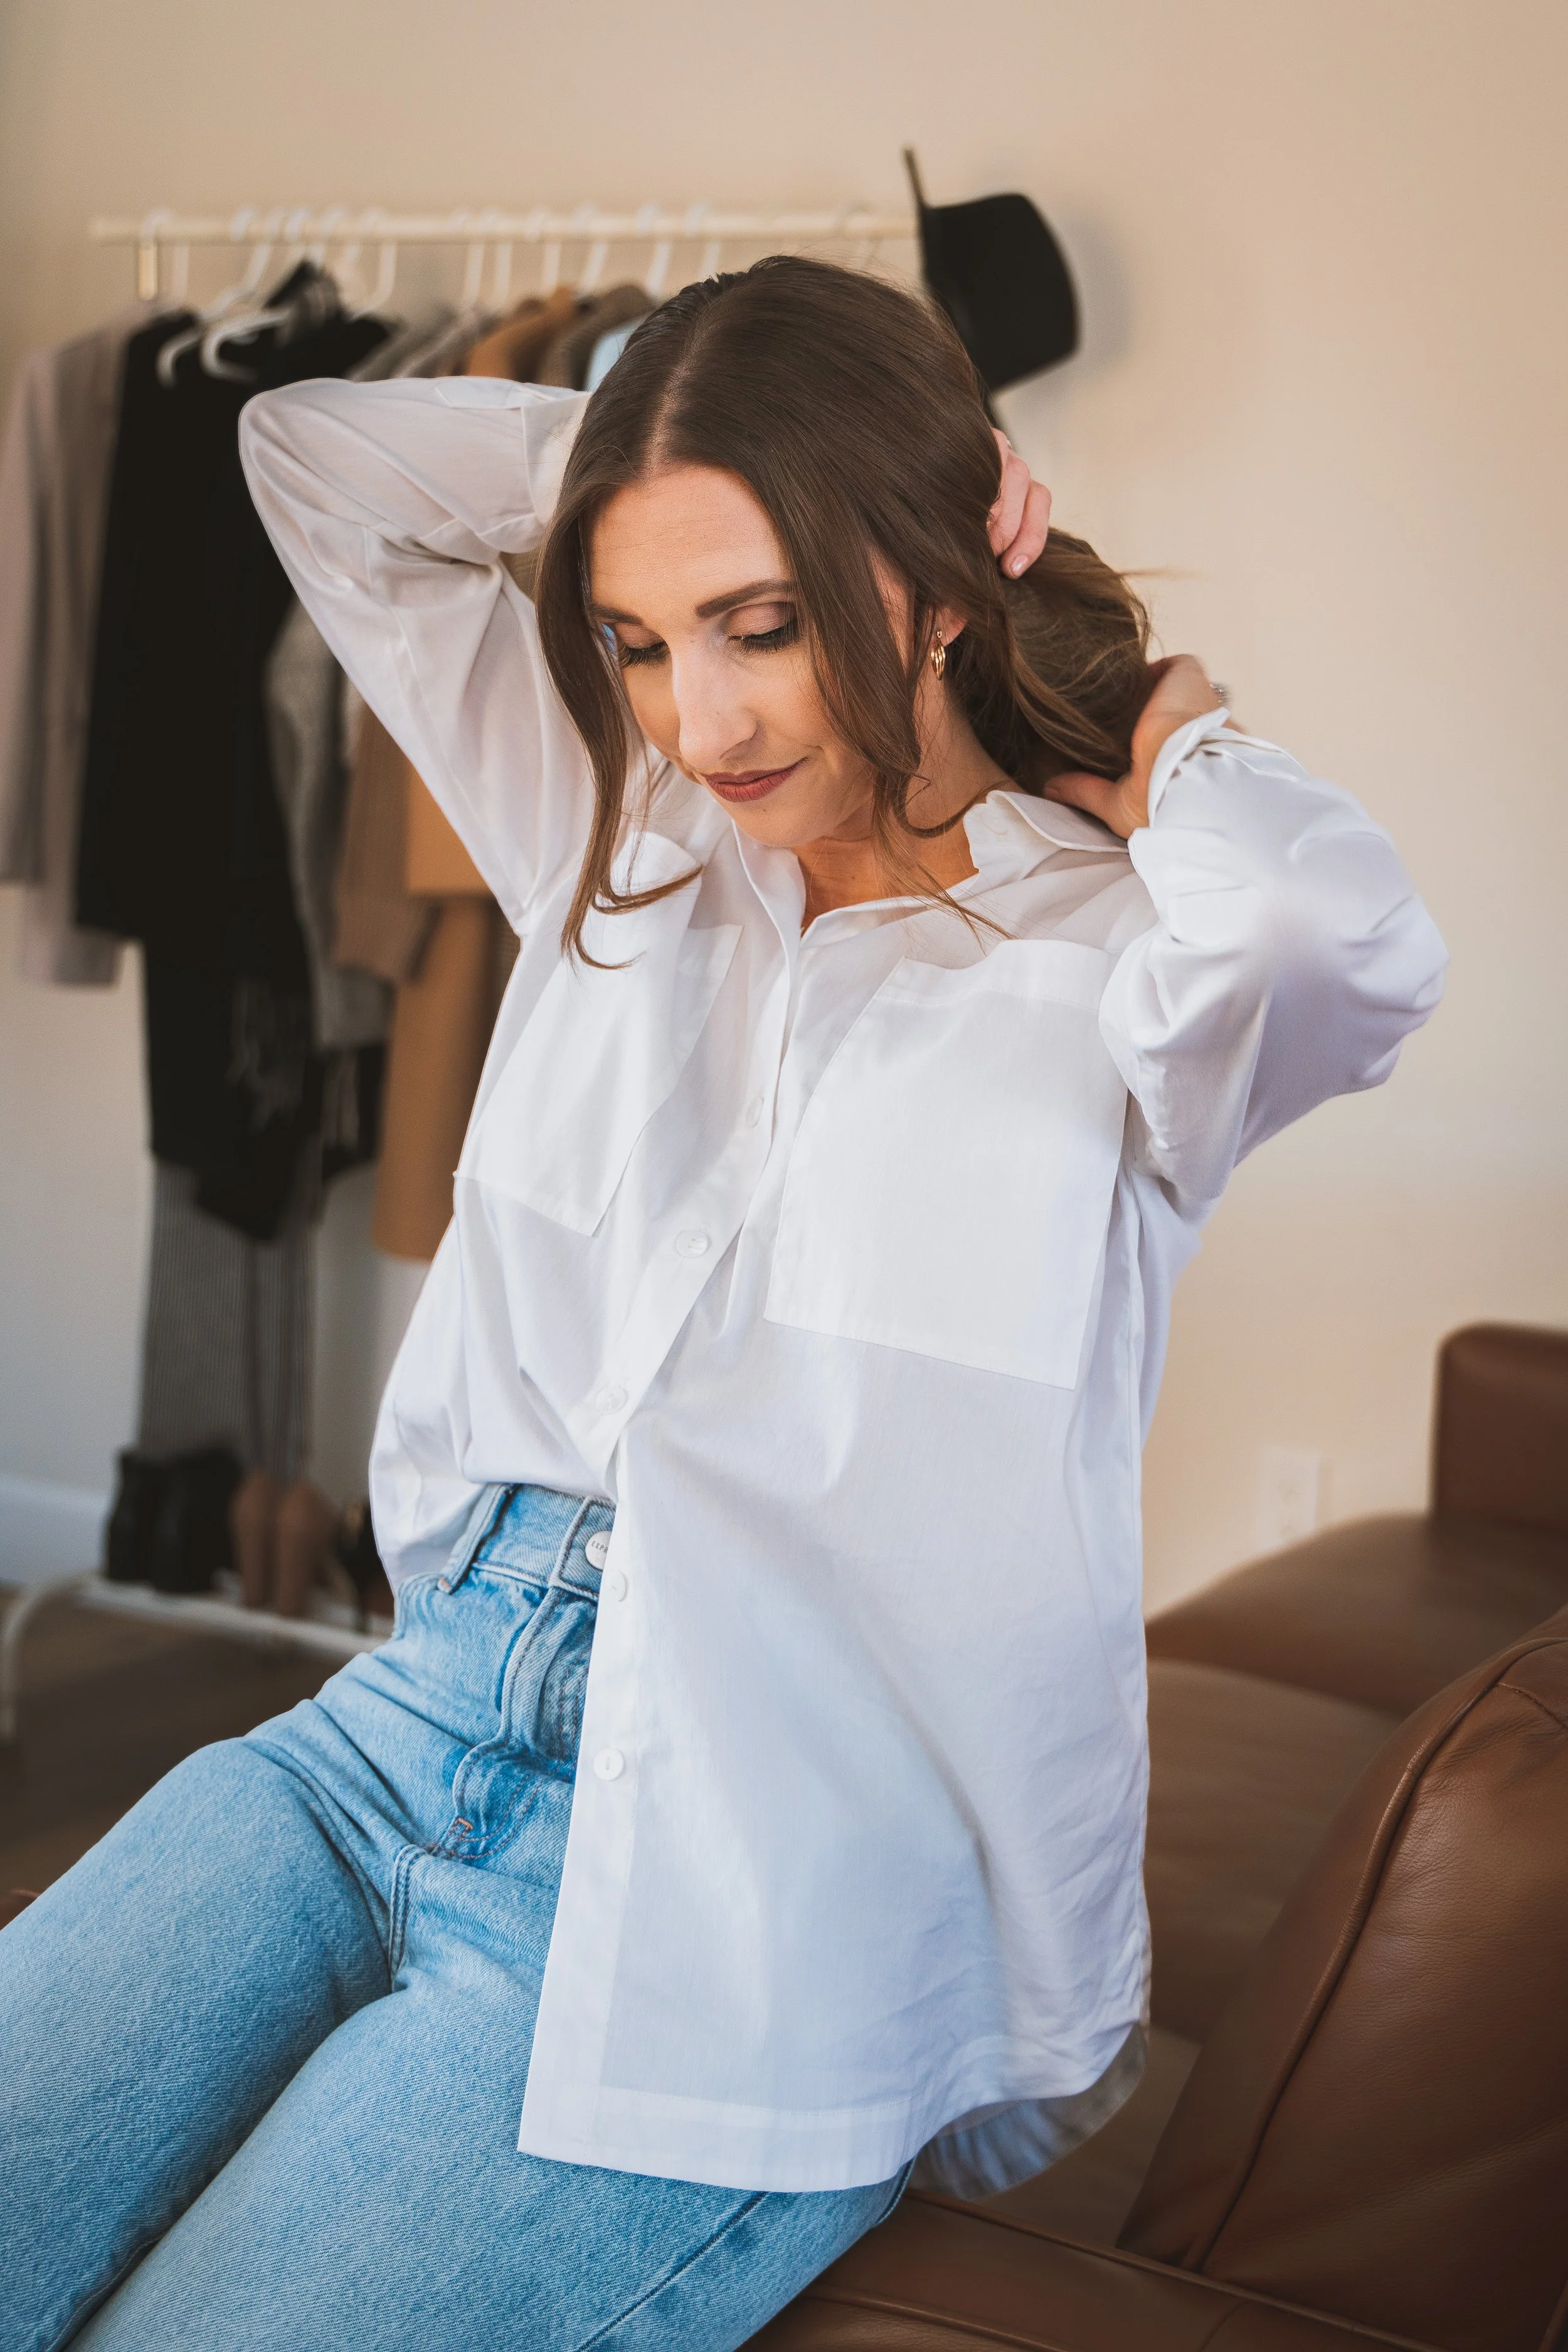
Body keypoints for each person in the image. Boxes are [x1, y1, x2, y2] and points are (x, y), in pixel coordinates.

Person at [0, 258, 1446, 2351]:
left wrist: (1167, 731)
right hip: (395, 1731)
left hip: (752, 1891)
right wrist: (659, 441)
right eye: (643, 638)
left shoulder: (1131, 969)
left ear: (944, 565)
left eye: (763, 622)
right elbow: (310, 453)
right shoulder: (626, 835)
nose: (705, 714)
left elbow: (1340, 933)